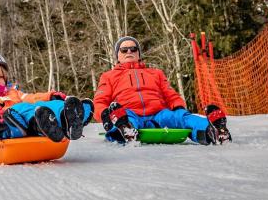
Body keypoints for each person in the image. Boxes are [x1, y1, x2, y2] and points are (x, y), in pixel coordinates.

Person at [93, 36, 232, 145]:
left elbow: (169, 93)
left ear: (138, 53)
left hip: (158, 114)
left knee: (182, 118)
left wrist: (178, 107)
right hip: (130, 113)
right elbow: (100, 101)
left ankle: (213, 130)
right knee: (124, 116)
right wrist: (105, 115)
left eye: (133, 49)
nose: (129, 51)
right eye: (124, 49)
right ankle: (126, 129)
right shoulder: (109, 76)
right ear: (117, 55)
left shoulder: (155, 73)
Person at [0, 51, 93, 142]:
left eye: (1, 77)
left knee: (39, 105)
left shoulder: (12, 92)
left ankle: (68, 114)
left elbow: (31, 98)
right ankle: (41, 125)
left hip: (23, 115)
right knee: (25, 108)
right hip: (7, 119)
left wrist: (50, 97)